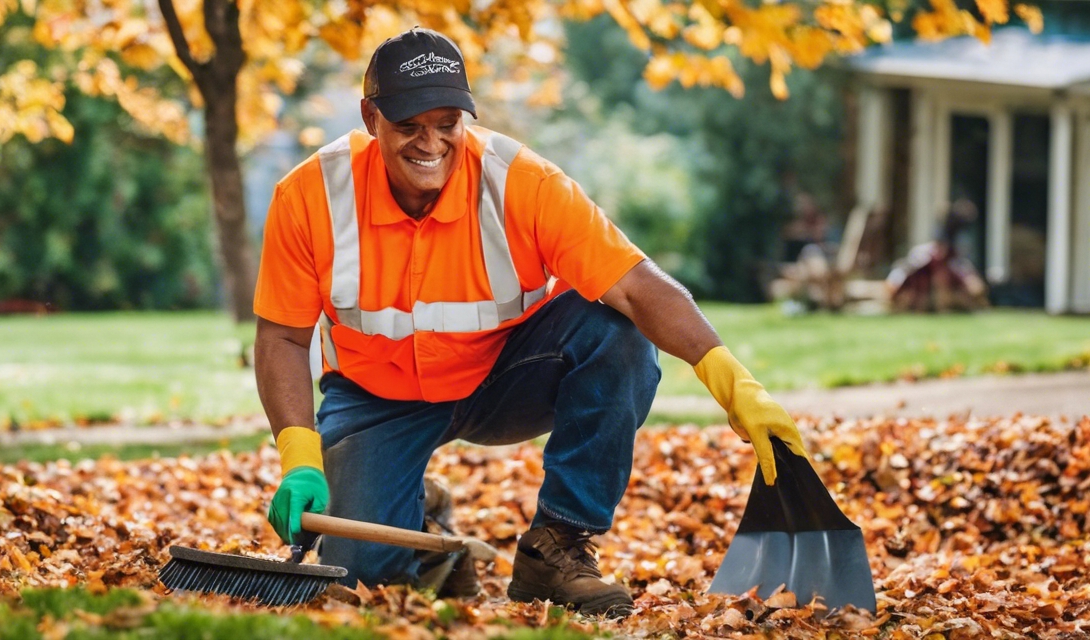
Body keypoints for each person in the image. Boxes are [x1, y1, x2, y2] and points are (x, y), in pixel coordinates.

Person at [252, 27, 809, 618]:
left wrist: (729, 377)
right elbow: (283, 337)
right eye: (409, 125)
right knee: (363, 575)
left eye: (447, 123)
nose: (431, 142)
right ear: (371, 118)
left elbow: (636, 284)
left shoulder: (522, 182)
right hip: (376, 397)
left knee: (616, 335)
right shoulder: (311, 196)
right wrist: (300, 456)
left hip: (504, 378)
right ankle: (421, 518)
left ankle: (557, 545)